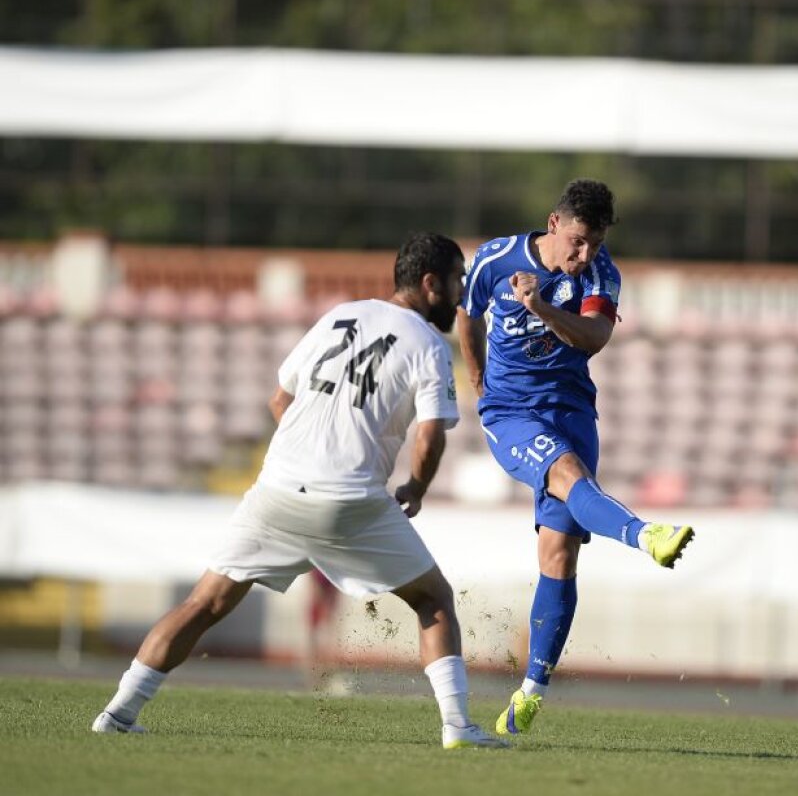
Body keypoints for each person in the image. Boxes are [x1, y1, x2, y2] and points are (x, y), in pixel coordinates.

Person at [92, 233, 507, 750]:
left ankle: (118, 712)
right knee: (433, 599)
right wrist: (416, 489)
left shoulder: (340, 315)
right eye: (456, 280)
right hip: (348, 500)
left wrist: (309, 454)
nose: (461, 291)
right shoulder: (426, 343)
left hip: (278, 489)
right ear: (430, 283)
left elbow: (279, 399)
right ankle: (458, 726)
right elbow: (430, 436)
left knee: (204, 603)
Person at [457, 178, 695, 738]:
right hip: (512, 413)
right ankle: (645, 535)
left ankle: (531, 692)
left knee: (558, 554)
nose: (585, 254)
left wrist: (539, 307)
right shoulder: (495, 258)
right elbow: (467, 314)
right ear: (554, 224)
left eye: (596, 243)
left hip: (571, 411)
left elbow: (592, 337)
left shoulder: (600, 274)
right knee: (566, 475)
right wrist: (477, 380)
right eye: (579, 241)